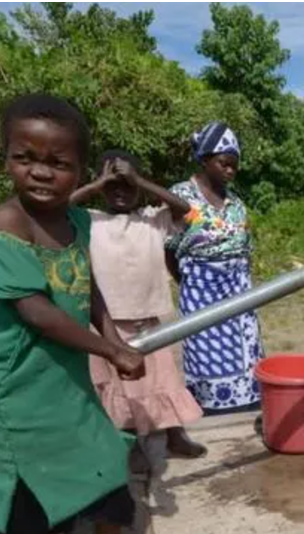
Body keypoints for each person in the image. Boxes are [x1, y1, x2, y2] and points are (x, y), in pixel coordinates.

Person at [0, 95, 166, 534]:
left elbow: (87, 287)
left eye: (58, 162)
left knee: (106, 449)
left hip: (62, 375)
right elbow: (37, 313)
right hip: (11, 384)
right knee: (14, 482)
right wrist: (110, 351)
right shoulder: (5, 225)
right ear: (5, 158)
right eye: (25, 157)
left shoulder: (76, 219)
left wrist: (115, 337)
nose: (41, 172)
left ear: (80, 170)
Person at [71, 151, 207, 463]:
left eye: (128, 185)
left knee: (164, 379)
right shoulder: (89, 220)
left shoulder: (152, 219)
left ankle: (174, 434)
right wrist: (97, 184)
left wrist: (139, 180)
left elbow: (187, 210)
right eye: (113, 185)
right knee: (121, 386)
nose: (120, 190)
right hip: (107, 321)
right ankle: (130, 443)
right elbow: (57, 209)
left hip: (149, 318)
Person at [168, 123, 264, 416]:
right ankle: (213, 412)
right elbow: (168, 249)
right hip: (201, 290)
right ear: (204, 159)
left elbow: (245, 247)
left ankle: (247, 407)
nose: (231, 171)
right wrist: (190, 282)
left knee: (246, 353)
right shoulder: (182, 195)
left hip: (239, 290)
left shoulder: (236, 203)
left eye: (235, 165)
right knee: (206, 355)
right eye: (224, 163)